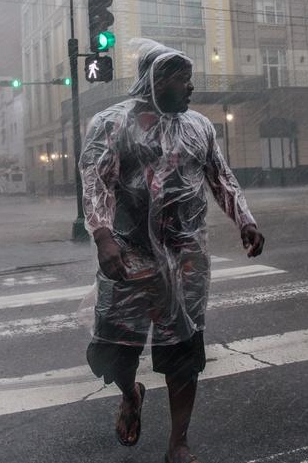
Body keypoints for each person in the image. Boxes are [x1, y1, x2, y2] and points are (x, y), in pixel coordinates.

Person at [80, 39, 265, 463]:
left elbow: (221, 176)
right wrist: (103, 237)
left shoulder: (199, 126)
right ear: (156, 80)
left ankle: (178, 442)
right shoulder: (111, 124)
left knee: (184, 349)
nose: (191, 89)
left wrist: (245, 220)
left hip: (185, 258)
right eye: (183, 81)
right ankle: (131, 393)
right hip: (128, 254)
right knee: (113, 352)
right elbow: (96, 182)